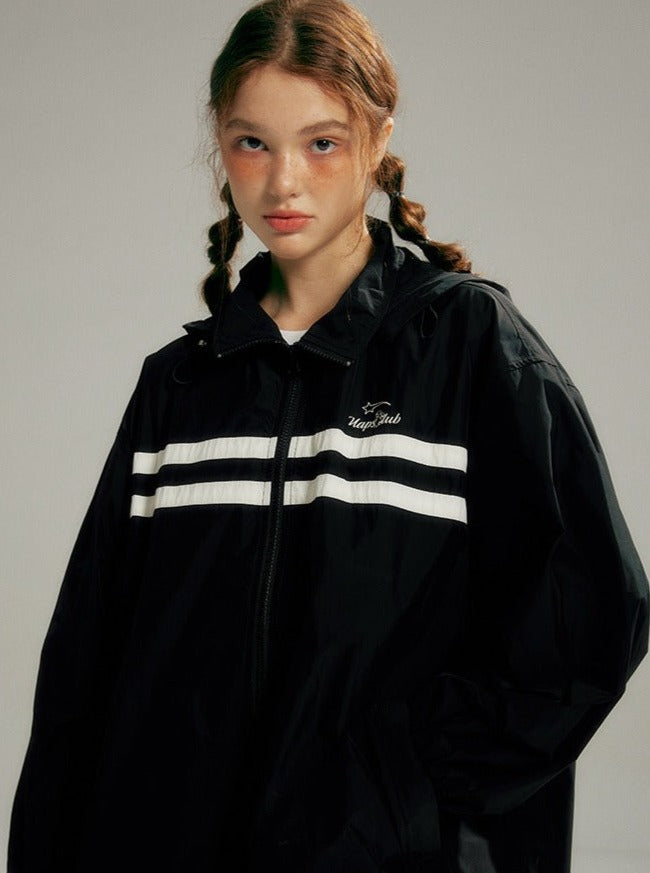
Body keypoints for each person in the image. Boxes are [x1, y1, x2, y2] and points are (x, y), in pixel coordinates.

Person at [8, 1, 649, 871]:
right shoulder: (180, 385)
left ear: (377, 139)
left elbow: (591, 618)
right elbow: (83, 673)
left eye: (321, 143)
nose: (283, 183)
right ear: (220, 143)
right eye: (253, 142)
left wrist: (405, 786)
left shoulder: (469, 347)